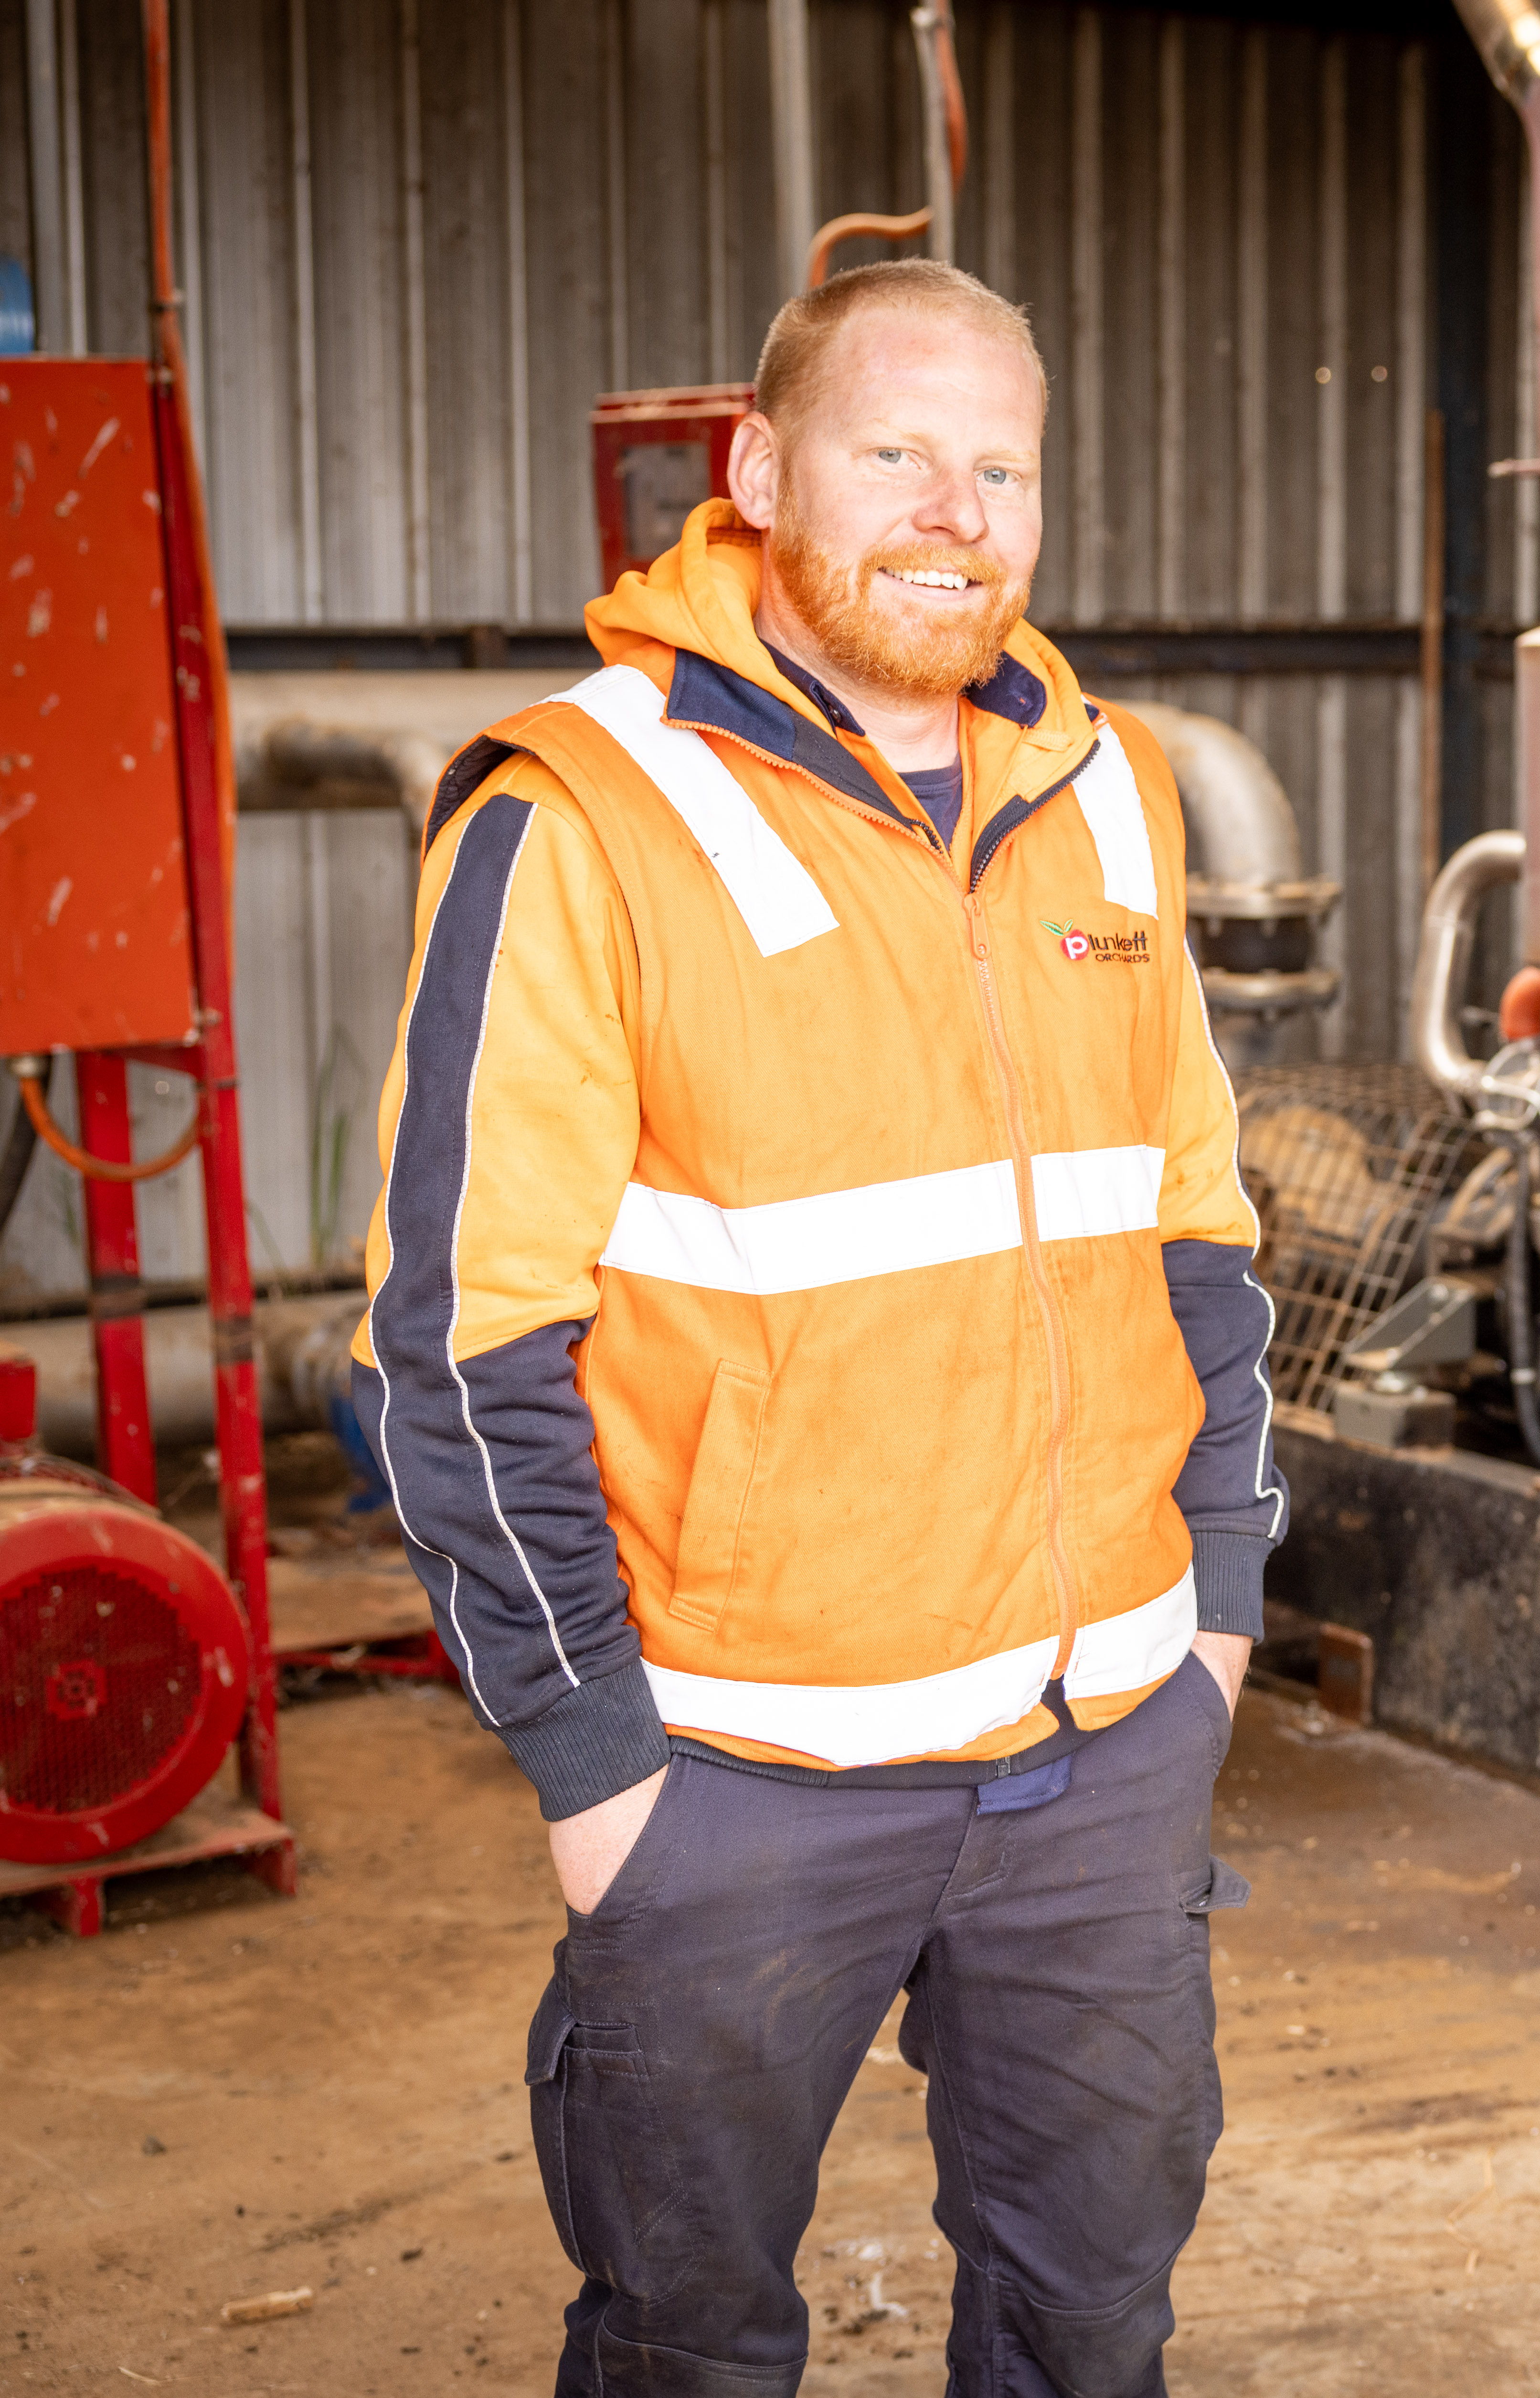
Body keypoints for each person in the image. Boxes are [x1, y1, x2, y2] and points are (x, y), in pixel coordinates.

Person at [354, 258, 1282, 2396]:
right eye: (895, 453)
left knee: (1092, 2311)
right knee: (691, 2335)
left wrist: (1211, 1614)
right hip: (742, 1770)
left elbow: (1199, 1239)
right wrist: (595, 1766)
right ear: (760, 468)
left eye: (1001, 467)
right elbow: (464, 1333)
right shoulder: (578, 808)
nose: (955, 512)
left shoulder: (1101, 783)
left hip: (1107, 1739)